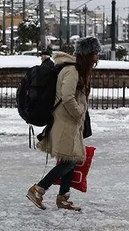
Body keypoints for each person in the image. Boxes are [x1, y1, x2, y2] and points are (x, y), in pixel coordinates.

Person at [27, 36, 100, 212]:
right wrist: (79, 112)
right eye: (95, 54)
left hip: (69, 123)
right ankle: (38, 189)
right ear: (87, 54)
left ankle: (63, 197)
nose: (97, 57)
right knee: (68, 162)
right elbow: (67, 97)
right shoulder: (72, 71)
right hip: (66, 122)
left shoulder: (74, 69)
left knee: (72, 159)